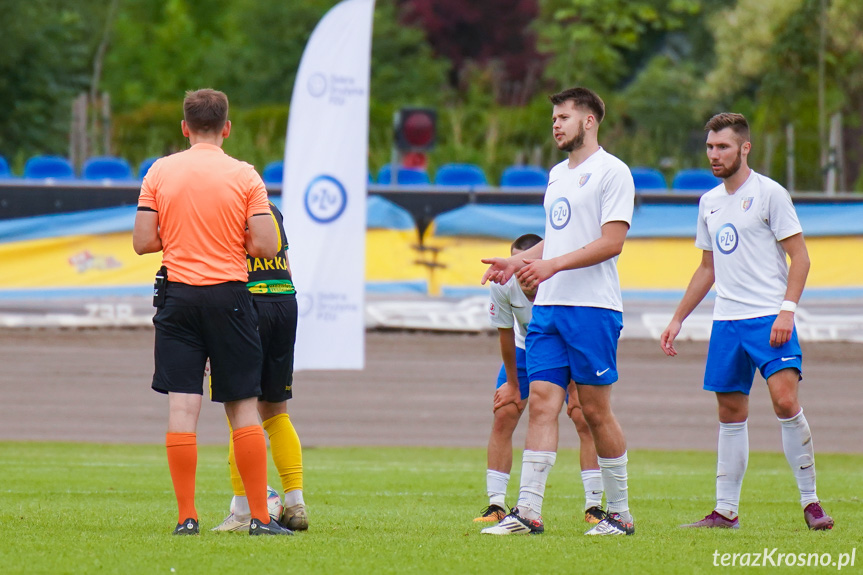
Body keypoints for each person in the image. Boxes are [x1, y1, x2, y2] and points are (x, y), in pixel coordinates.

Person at [660, 112, 833, 531]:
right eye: (710, 147)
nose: (714, 155)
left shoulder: (771, 194)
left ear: (745, 148)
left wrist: (786, 310)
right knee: (730, 411)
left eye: (722, 147)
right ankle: (725, 511)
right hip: (728, 323)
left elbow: (801, 257)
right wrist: (678, 317)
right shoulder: (709, 202)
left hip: (768, 317)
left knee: (785, 402)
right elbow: (707, 268)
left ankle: (811, 503)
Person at [133, 88, 292, 536]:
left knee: (182, 409)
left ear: (184, 128)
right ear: (226, 128)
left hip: (177, 298)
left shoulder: (159, 172)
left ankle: (187, 517)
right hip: (229, 297)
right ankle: (260, 517)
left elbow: (143, 240)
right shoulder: (245, 176)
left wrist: (183, 237)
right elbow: (266, 244)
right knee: (242, 406)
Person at [480, 86, 635, 536]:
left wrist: (549, 265)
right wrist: (520, 261)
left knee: (595, 411)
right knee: (543, 403)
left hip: (592, 309)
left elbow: (612, 242)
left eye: (564, 116)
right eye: (553, 117)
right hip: (549, 308)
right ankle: (527, 511)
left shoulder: (613, 172)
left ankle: (620, 515)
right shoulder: (556, 174)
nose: (555, 124)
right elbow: (558, 240)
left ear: (589, 121)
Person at [475, 233, 605, 526]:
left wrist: (573, 388)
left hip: (568, 346)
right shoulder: (502, 283)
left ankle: (594, 506)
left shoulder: (562, 282)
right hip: (525, 348)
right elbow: (506, 334)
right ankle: (496, 503)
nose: (520, 274)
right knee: (504, 413)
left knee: (583, 417)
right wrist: (511, 383)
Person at [212, 199, 308, 532]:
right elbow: (288, 266)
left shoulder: (225, 205)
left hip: (248, 303)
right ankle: (295, 504)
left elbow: (219, 268)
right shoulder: (270, 208)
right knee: (277, 412)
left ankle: (242, 511)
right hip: (284, 301)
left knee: (239, 409)